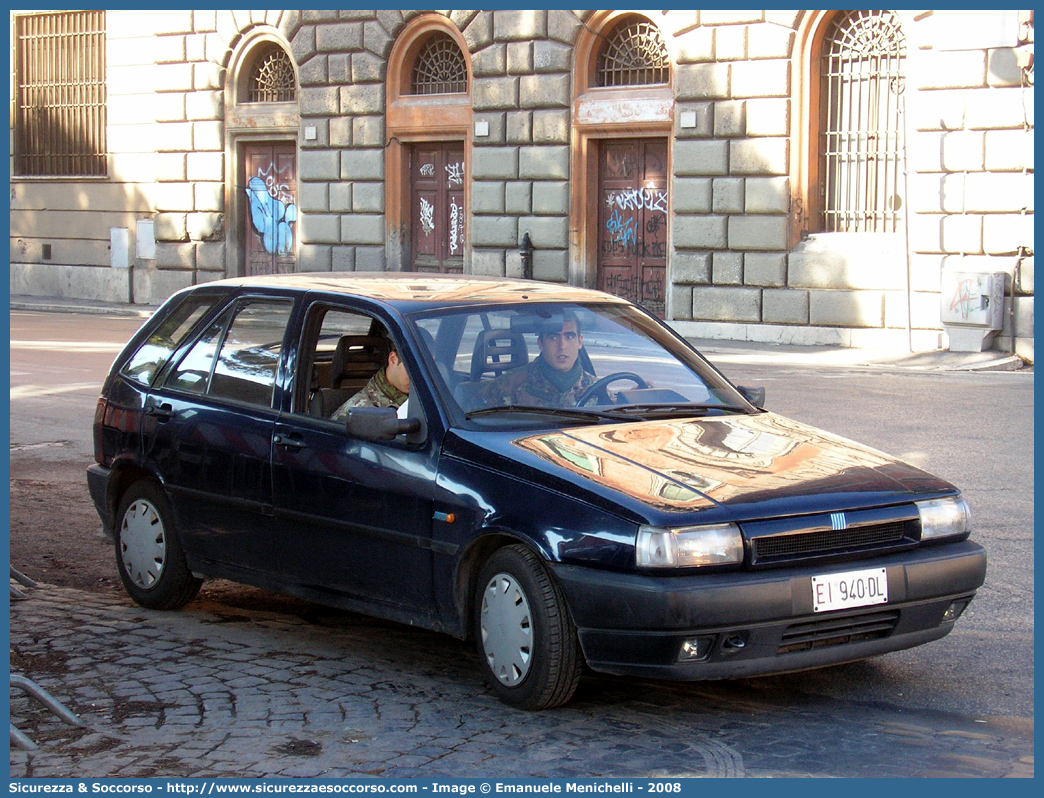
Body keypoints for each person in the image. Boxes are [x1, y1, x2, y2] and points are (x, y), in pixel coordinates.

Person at [475, 312, 596, 408]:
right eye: (553, 337)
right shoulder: (508, 386)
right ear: (541, 343)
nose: (562, 346)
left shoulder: (597, 389)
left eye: (569, 337)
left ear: (580, 342)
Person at [332, 338, 410, 422]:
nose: (415, 379)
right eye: (412, 370)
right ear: (393, 359)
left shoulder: (419, 395)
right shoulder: (356, 414)